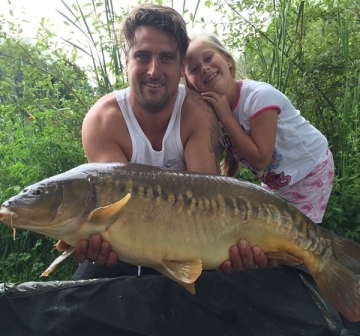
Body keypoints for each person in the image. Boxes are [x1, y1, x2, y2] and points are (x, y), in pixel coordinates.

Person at [56, 5, 268, 279]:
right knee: (85, 292)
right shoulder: (102, 121)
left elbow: (207, 207)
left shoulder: (198, 113)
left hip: (193, 242)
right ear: (126, 61)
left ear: (181, 67)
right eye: (142, 56)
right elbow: (116, 214)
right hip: (123, 245)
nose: (154, 71)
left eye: (166, 58)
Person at [184, 34, 334, 224]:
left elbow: (260, 160)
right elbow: (211, 151)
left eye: (208, 58)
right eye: (194, 69)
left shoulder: (259, 97)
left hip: (310, 170)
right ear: (190, 84)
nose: (204, 68)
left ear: (228, 60)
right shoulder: (210, 113)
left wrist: (226, 117)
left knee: (297, 236)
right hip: (278, 181)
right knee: (267, 228)